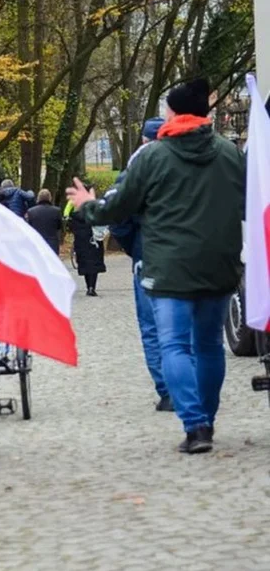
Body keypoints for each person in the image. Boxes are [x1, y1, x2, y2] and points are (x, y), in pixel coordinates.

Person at [67, 78, 245, 454]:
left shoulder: (153, 156)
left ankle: (195, 427)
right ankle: (207, 423)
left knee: (175, 346)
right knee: (210, 345)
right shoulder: (230, 153)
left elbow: (118, 207)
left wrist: (86, 204)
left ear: (174, 112)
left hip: (169, 270)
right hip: (219, 264)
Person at [105, 117, 172, 412]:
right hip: (188, 257)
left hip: (148, 256)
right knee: (187, 326)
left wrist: (135, 245)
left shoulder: (136, 167)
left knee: (152, 325)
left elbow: (117, 214)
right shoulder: (183, 164)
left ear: (144, 140)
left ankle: (168, 390)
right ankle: (191, 386)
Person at [65, 195, 106, 295]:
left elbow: (69, 227)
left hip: (81, 244)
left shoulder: (74, 218)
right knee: (94, 265)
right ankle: (92, 287)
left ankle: (88, 286)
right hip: (94, 243)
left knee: (85, 265)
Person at [25, 189, 63, 255]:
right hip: (52, 243)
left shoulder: (31, 211)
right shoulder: (57, 211)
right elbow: (59, 226)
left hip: (36, 243)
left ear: (38, 198)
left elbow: (28, 227)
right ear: (50, 198)